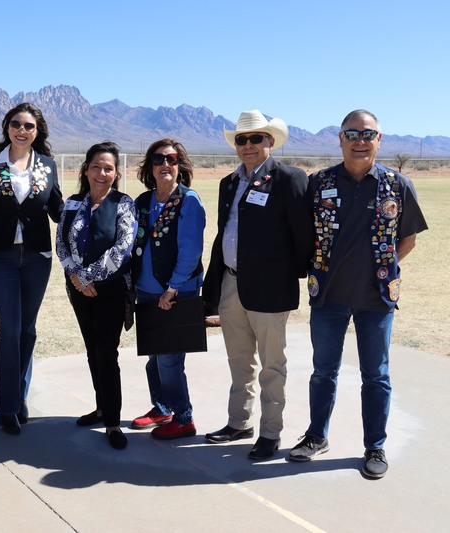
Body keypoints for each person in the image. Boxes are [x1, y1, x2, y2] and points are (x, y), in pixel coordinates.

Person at [289, 110, 428, 479]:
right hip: (328, 297)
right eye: (352, 134)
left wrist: (380, 270)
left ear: (379, 140)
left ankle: (375, 446)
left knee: (376, 375)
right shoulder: (319, 183)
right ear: (340, 139)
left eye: (368, 134)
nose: (360, 141)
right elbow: (302, 234)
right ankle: (316, 436)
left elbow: (408, 238)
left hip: (376, 299)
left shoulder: (396, 185)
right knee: (323, 371)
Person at [202, 110, 313, 461]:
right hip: (231, 285)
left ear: (270, 141)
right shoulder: (228, 183)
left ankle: (270, 433)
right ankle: (239, 423)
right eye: (241, 139)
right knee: (239, 361)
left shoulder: (290, 179)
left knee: (271, 366)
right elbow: (225, 234)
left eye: (255, 138)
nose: (247, 146)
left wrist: (285, 276)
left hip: (269, 289)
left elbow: (303, 237)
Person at [0, 103, 64, 435]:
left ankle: (19, 395)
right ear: (6, 127)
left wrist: (91, 212)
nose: (21, 130)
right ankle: (7, 407)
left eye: (28, 126)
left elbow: (58, 209)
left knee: (28, 330)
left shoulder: (47, 165)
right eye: (16, 124)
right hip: (0, 257)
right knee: (9, 329)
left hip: (38, 257)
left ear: (37, 131)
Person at [56, 141, 137, 449]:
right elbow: (62, 244)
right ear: (86, 169)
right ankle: (101, 407)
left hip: (111, 290)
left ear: (116, 173)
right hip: (79, 290)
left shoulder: (123, 203)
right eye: (96, 167)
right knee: (92, 350)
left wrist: (87, 276)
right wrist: (76, 278)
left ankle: (113, 422)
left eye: (108, 168)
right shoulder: (73, 202)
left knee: (107, 352)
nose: (101, 173)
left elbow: (122, 248)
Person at [130, 139, 206, 440]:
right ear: (150, 166)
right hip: (147, 293)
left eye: (172, 160)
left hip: (175, 293)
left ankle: (184, 417)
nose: (165, 165)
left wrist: (172, 288)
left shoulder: (189, 200)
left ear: (180, 166)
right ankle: (162, 408)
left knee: (169, 359)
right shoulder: (144, 202)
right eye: (159, 159)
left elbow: (190, 249)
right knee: (154, 356)